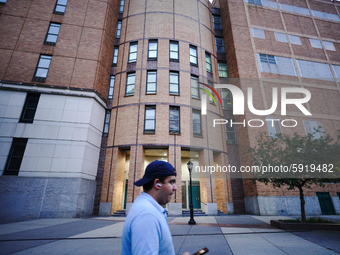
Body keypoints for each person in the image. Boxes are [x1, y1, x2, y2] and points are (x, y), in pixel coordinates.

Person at [121, 160, 190, 255]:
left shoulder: (147, 208)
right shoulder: (147, 215)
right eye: (172, 182)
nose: (175, 188)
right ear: (157, 183)